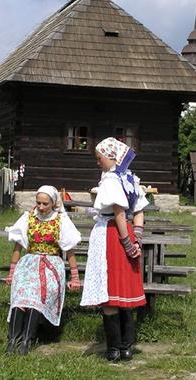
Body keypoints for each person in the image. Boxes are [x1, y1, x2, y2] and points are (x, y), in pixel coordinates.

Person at [80, 137, 149, 361]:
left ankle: (114, 349)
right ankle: (126, 347)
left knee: (109, 290)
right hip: (126, 231)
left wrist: (128, 243)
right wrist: (136, 237)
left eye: (99, 158)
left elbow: (119, 212)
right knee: (124, 291)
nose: (98, 162)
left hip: (112, 234)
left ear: (111, 157)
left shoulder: (111, 179)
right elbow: (138, 212)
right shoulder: (130, 177)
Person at [5, 185, 81, 355]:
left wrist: (74, 277)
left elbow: (69, 250)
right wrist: (12, 272)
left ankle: (26, 340)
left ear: (53, 203)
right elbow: (18, 246)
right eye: (38, 202)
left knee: (37, 294)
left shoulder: (60, 220)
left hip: (51, 264)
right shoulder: (29, 217)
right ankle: (12, 341)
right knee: (21, 295)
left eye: (45, 204)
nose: (40, 207)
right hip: (29, 262)